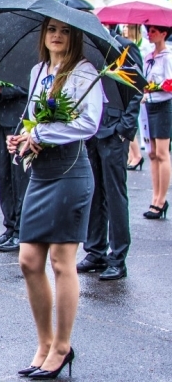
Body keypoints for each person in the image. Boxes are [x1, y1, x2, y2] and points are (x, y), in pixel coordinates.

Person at [7, 18, 103, 378]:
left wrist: (42, 135)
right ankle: (44, 341)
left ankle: (62, 346)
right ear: (43, 35)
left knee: (62, 262)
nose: (57, 36)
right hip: (41, 172)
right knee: (29, 260)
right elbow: (35, 122)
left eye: (65, 31)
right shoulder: (38, 72)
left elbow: (89, 123)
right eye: (51, 30)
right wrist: (22, 137)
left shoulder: (84, 72)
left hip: (70, 171)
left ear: (74, 37)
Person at [77, 27, 141, 280]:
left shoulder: (123, 46)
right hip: (93, 129)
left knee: (115, 195)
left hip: (114, 130)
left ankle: (118, 257)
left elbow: (136, 87)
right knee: (94, 193)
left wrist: (125, 129)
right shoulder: (86, 50)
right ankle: (95, 251)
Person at [0, 81, 30, 252]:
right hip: (0, 118)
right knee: (4, 177)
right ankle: (10, 226)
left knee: (19, 179)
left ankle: (21, 230)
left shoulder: (26, 63)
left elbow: (27, 85)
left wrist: (4, 89)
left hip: (18, 119)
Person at [141, 25, 172, 219]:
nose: (150, 34)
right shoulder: (148, 57)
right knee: (152, 153)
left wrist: (155, 87)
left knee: (162, 153)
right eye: (149, 31)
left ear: (163, 33)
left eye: (153, 31)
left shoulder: (168, 57)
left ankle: (161, 199)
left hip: (163, 105)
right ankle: (155, 197)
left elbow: (170, 83)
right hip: (148, 105)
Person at [123, 24, 150, 168]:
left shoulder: (139, 46)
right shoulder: (122, 43)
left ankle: (137, 155)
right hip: (126, 87)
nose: (125, 29)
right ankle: (133, 154)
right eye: (124, 27)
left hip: (138, 89)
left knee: (130, 122)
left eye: (128, 27)